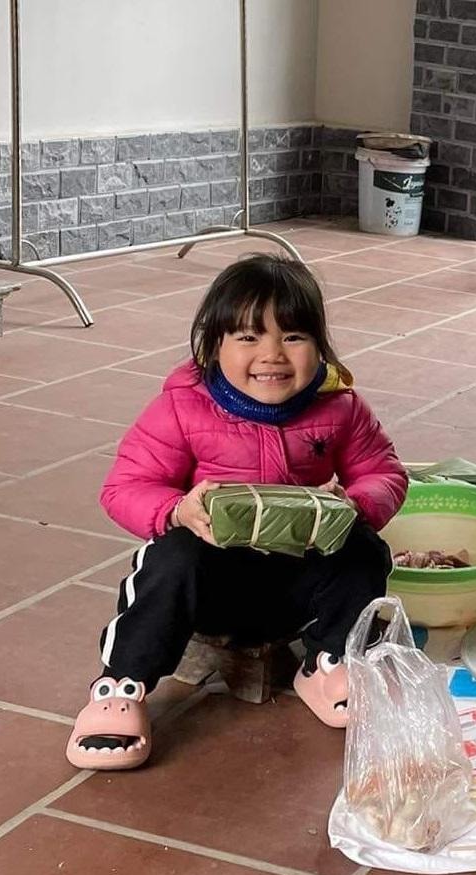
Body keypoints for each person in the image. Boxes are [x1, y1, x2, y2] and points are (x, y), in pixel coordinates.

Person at [69, 254, 408, 771]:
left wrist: (356, 503)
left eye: (292, 336)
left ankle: (328, 662)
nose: (272, 354)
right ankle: (122, 685)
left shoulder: (340, 408)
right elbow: (125, 487)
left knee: (363, 548)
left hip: (299, 583)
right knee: (170, 558)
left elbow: (384, 471)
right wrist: (176, 510)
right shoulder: (182, 409)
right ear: (214, 345)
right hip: (211, 585)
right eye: (249, 337)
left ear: (320, 344)